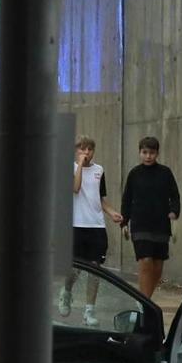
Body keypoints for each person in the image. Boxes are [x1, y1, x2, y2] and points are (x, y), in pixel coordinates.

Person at [58, 136, 123, 325]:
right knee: (76, 269)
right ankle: (67, 291)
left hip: (96, 226)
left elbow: (99, 198)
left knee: (95, 269)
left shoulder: (99, 170)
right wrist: (79, 165)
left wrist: (112, 213)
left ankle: (89, 311)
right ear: (76, 152)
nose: (86, 153)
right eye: (82, 149)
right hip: (76, 226)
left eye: (90, 150)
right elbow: (76, 188)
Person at [119, 136, 180, 297]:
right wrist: (124, 222)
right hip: (140, 224)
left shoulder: (165, 173)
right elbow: (127, 199)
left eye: (151, 153)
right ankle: (144, 303)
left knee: (157, 267)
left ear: (157, 153)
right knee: (146, 262)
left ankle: (147, 300)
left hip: (161, 225)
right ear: (140, 153)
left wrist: (174, 211)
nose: (148, 156)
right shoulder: (134, 174)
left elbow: (175, 195)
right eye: (144, 152)